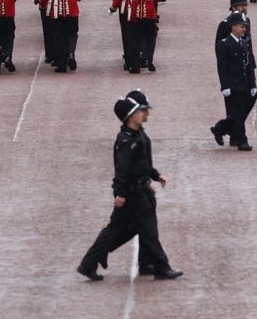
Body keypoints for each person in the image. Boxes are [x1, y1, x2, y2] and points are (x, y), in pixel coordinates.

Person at [77, 93, 182, 281]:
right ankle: (161, 266)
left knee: (119, 229)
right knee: (148, 231)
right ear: (131, 116)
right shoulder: (126, 140)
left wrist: (155, 176)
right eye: (142, 111)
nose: (146, 114)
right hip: (134, 193)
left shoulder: (137, 134)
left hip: (141, 189)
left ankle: (91, 262)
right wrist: (121, 194)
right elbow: (122, 170)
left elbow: (142, 163)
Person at [211, 11, 257, 150]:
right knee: (237, 112)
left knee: (241, 111)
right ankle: (242, 140)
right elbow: (222, 67)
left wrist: (253, 84)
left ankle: (220, 128)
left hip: (245, 84)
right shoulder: (224, 44)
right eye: (241, 26)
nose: (244, 29)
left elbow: (248, 66)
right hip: (233, 85)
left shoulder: (243, 43)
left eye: (245, 26)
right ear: (233, 27)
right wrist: (225, 86)